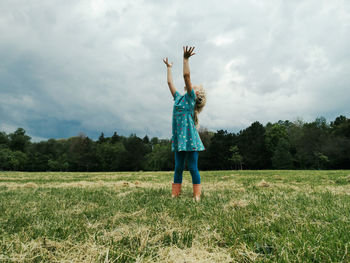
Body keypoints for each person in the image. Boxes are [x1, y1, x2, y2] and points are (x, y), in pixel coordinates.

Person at [163, 46, 207, 202]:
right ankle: (175, 194)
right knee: (178, 167)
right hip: (180, 139)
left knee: (193, 167)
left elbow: (186, 76)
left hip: (191, 139)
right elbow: (169, 83)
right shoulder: (178, 98)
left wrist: (186, 59)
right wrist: (169, 68)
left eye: (194, 87)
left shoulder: (190, 98)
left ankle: (197, 195)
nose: (191, 85)